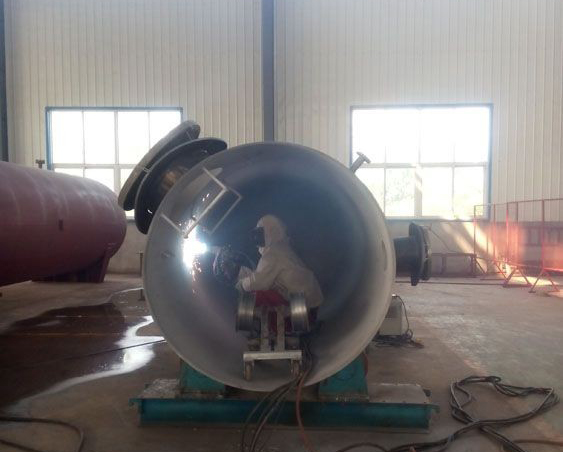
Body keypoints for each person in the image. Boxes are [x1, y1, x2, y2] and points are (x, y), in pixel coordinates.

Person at [237, 215, 324, 321]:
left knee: (254, 295)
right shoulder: (282, 247)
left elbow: (258, 282)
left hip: (302, 306)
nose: (257, 238)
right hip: (311, 299)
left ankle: (244, 326)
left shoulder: (272, 254)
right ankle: (303, 324)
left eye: (260, 233)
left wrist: (242, 284)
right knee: (268, 291)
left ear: (270, 232)